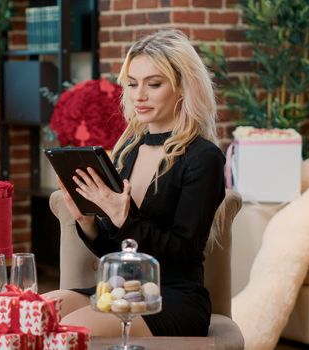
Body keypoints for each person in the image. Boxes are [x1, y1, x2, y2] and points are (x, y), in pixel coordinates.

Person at [44, 29, 226, 337]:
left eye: (153, 84)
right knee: (33, 312)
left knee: (66, 332)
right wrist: (87, 221)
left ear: (183, 86)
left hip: (173, 298)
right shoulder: (129, 150)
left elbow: (182, 251)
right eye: (132, 83)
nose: (138, 95)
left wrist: (123, 217)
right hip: (122, 287)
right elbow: (116, 250)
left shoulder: (203, 157)